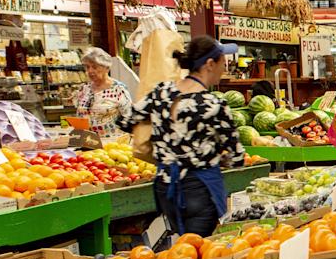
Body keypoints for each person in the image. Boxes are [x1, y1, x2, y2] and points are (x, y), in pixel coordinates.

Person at [117, 36, 244, 237]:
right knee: (197, 249)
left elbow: (125, 120)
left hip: (166, 188)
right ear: (210, 64)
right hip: (200, 190)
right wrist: (218, 157)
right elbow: (237, 157)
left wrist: (163, 140)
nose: (225, 68)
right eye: (223, 62)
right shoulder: (213, 105)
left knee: (183, 246)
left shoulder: (161, 92)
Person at [74, 47, 132, 136]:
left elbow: (128, 116)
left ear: (107, 68)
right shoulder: (84, 89)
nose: (90, 71)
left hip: (112, 143)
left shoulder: (118, 89)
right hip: (87, 142)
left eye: (94, 67)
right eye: (87, 67)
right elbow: (79, 116)